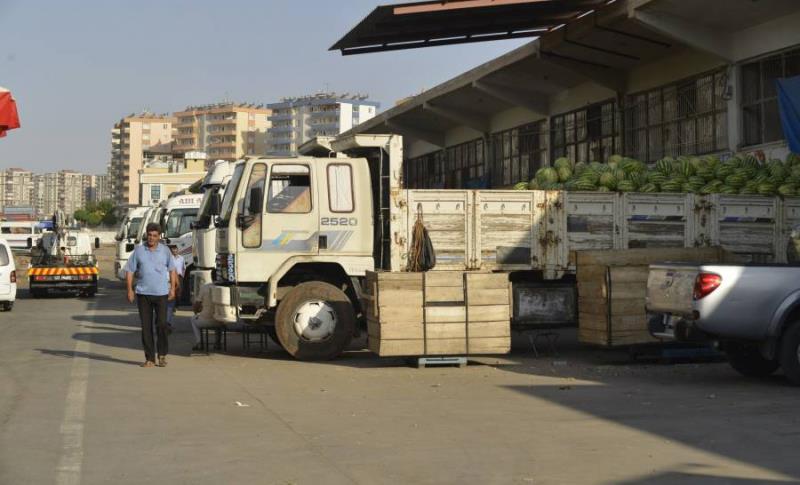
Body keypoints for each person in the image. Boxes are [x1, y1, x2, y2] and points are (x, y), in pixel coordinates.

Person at [126, 222, 177, 368]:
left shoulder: (165, 251)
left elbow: (172, 270)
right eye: (149, 235)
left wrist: (172, 288)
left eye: (155, 236)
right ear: (146, 235)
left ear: (159, 237)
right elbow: (130, 270)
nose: (152, 238)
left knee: (161, 325)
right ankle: (149, 358)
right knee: (146, 327)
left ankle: (162, 355)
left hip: (161, 294)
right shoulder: (139, 251)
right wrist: (129, 289)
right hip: (143, 294)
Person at [166, 243, 186, 332]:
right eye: (172, 249)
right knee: (172, 294)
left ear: (178, 250)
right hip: (171, 278)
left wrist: (182, 275)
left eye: (175, 249)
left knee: (179, 292)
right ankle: (172, 308)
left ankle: (175, 305)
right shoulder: (169, 258)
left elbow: (183, 268)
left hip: (179, 276)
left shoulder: (181, 258)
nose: (174, 250)